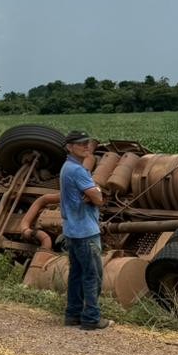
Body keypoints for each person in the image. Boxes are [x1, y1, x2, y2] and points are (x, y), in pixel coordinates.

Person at [60, 130, 112, 330]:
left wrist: (90, 194)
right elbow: (98, 199)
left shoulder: (66, 168)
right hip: (85, 231)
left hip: (72, 230)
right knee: (93, 275)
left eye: (87, 143)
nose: (86, 146)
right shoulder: (78, 171)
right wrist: (95, 192)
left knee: (76, 274)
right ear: (69, 147)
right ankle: (91, 318)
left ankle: (72, 315)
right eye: (80, 144)